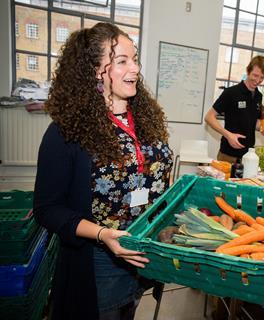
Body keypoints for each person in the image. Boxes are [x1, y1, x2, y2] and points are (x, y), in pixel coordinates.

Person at [33, 22, 173, 320]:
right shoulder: (66, 132)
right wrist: (103, 234)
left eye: (134, 59)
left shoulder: (145, 117)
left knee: (129, 310)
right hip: (99, 261)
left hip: (142, 251)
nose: (134, 68)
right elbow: (48, 209)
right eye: (121, 61)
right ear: (96, 71)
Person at [205, 55, 264, 163]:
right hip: (228, 155)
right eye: (255, 75)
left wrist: (263, 127)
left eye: (262, 77)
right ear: (248, 71)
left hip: (248, 157)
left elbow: (253, 122)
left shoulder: (258, 96)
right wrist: (228, 135)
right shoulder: (231, 93)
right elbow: (209, 117)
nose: (258, 80)